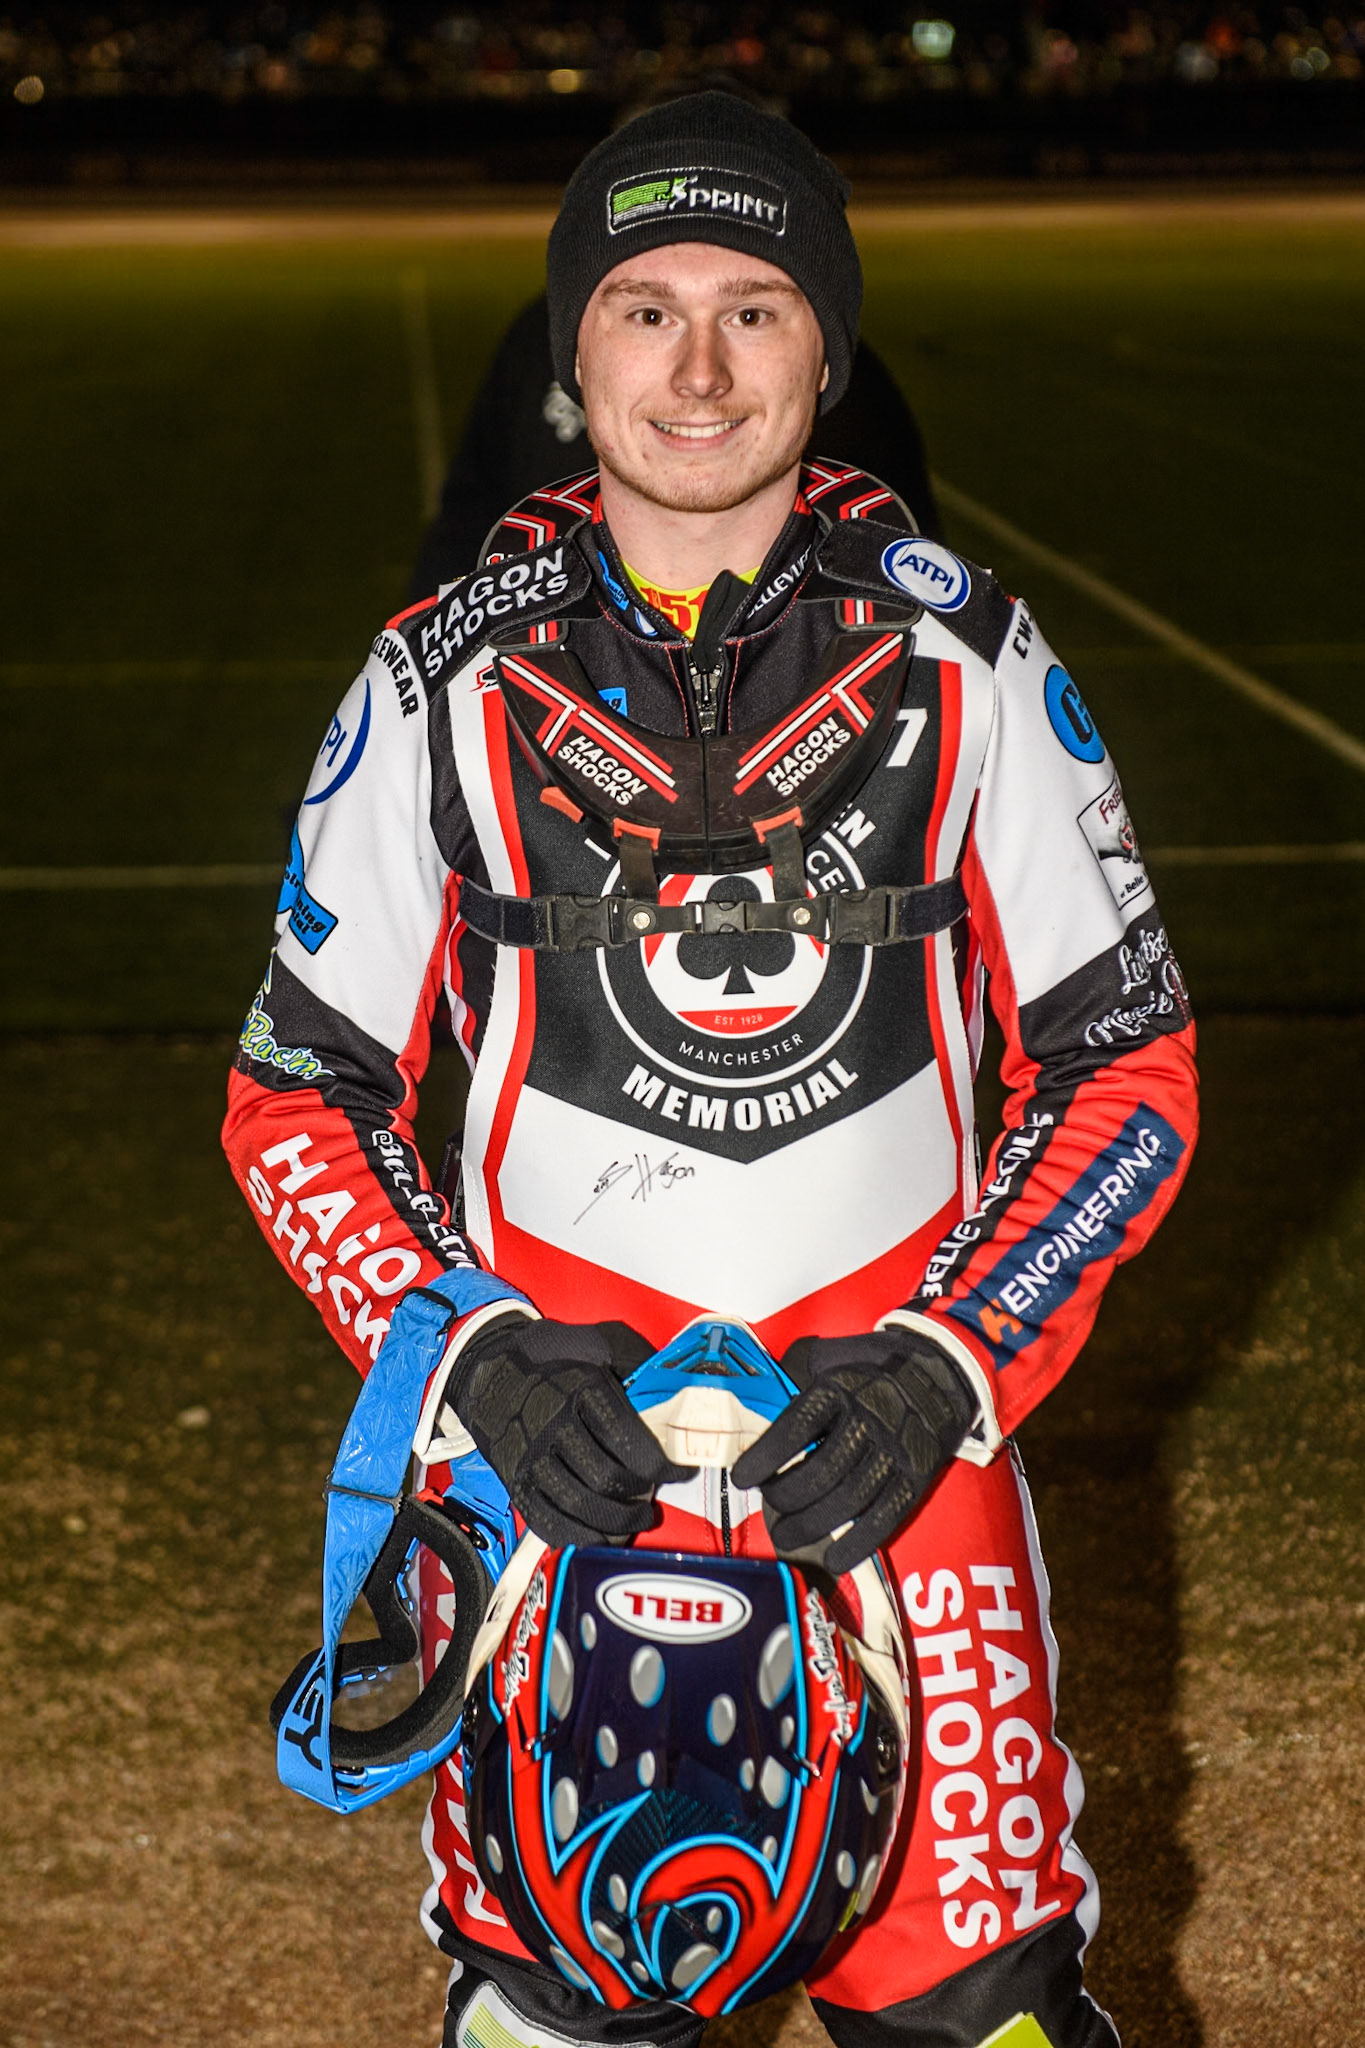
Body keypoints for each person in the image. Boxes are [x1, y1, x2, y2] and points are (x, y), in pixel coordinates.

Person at [224, 91, 1198, 2048]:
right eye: (642, 305)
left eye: (754, 309)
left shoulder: (975, 668)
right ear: (572, 351)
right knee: (565, 2006)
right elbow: (295, 1095)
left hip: (896, 1468)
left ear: (825, 355)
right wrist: (468, 1354)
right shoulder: (430, 682)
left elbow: (1129, 1068)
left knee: (977, 2013)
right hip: (557, 1459)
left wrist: (952, 1360)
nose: (694, 363)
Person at [409, 293, 941, 597]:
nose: (701, 377)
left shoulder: (843, 372)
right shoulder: (537, 337)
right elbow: (470, 506)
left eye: (750, 318)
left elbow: (905, 526)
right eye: (650, 318)